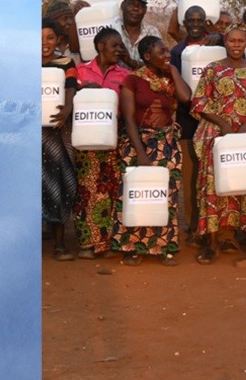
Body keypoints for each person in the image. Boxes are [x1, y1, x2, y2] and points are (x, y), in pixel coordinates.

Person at [190, 26, 246, 265]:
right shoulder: (212, 69)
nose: (236, 45)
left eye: (241, 41)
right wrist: (224, 125)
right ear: (225, 41)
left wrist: (245, 125)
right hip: (218, 134)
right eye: (232, 40)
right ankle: (212, 243)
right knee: (213, 185)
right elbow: (199, 103)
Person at [112, 35, 191, 266]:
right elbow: (128, 119)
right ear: (147, 56)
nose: (167, 55)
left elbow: (186, 98)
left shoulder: (169, 77)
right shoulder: (132, 80)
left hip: (166, 144)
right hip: (138, 143)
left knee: (164, 196)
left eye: (168, 51)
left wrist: (173, 70)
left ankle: (163, 246)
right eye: (162, 52)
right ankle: (132, 247)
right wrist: (141, 153)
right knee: (137, 195)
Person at [72, 27, 131, 259]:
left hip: (113, 139)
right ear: (100, 46)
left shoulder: (124, 75)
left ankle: (106, 243)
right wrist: (83, 90)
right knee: (86, 191)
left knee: (110, 191)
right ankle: (87, 243)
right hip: (86, 142)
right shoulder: (81, 71)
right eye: (114, 46)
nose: (118, 50)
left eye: (120, 46)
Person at [169, 6, 216, 244]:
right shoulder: (177, 52)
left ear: (206, 22)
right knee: (191, 176)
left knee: (215, 174)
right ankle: (192, 226)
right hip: (188, 120)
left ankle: (216, 228)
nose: (195, 24)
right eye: (191, 20)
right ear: (184, 23)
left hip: (216, 120)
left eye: (199, 20)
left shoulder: (217, 46)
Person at [42, 18, 79, 261]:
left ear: (57, 40)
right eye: (39, 38)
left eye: (50, 38)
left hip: (57, 131)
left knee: (59, 182)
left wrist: (66, 109)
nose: (44, 43)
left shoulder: (66, 63)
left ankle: (59, 242)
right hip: (31, 134)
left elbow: (71, 87)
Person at [111, 0, 162, 69]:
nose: (136, 8)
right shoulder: (112, 30)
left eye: (140, 6)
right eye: (131, 4)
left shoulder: (152, 32)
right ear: (122, 6)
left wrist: (131, 62)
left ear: (145, 10)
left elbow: (159, 64)